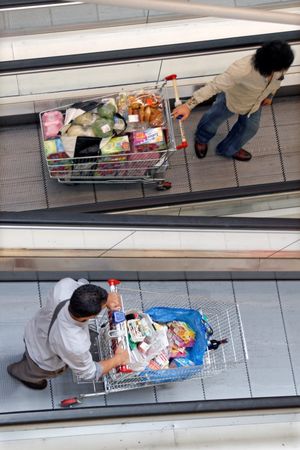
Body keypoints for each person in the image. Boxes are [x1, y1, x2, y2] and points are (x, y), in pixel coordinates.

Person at [172, 40, 294, 161]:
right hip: (230, 100)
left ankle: (227, 149)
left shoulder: (280, 64)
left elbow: (278, 80)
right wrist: (188, 106)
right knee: (211, 122)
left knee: (250, 129)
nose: (280, 71)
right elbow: (214, 86)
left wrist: (269, 96)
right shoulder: (241, 69)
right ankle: (201, 139)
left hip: (255, 104)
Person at [7, 278, 129, 390]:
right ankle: (20, 374)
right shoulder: (75, 345)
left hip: (34, 331)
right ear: (90, 316)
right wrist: (118, 359)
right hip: (43, 361)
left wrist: (107, 298)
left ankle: (26, 359)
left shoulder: (64, 286)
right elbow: (89, 372)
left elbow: (83, 284)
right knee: (30, 370)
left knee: (28, 353)